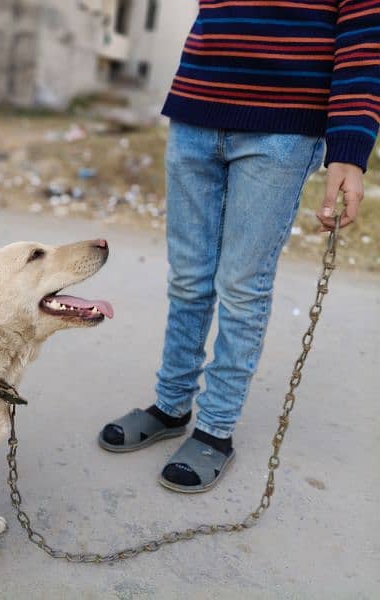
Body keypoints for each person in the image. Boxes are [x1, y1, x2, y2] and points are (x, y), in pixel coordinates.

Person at [98, 0, 378, 493]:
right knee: (188, 275)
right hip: (196, 107)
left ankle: (216, 430)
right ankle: (171, 405)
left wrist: (349, 153)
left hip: (284, 128)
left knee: (243, 285)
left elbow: (363, 42)